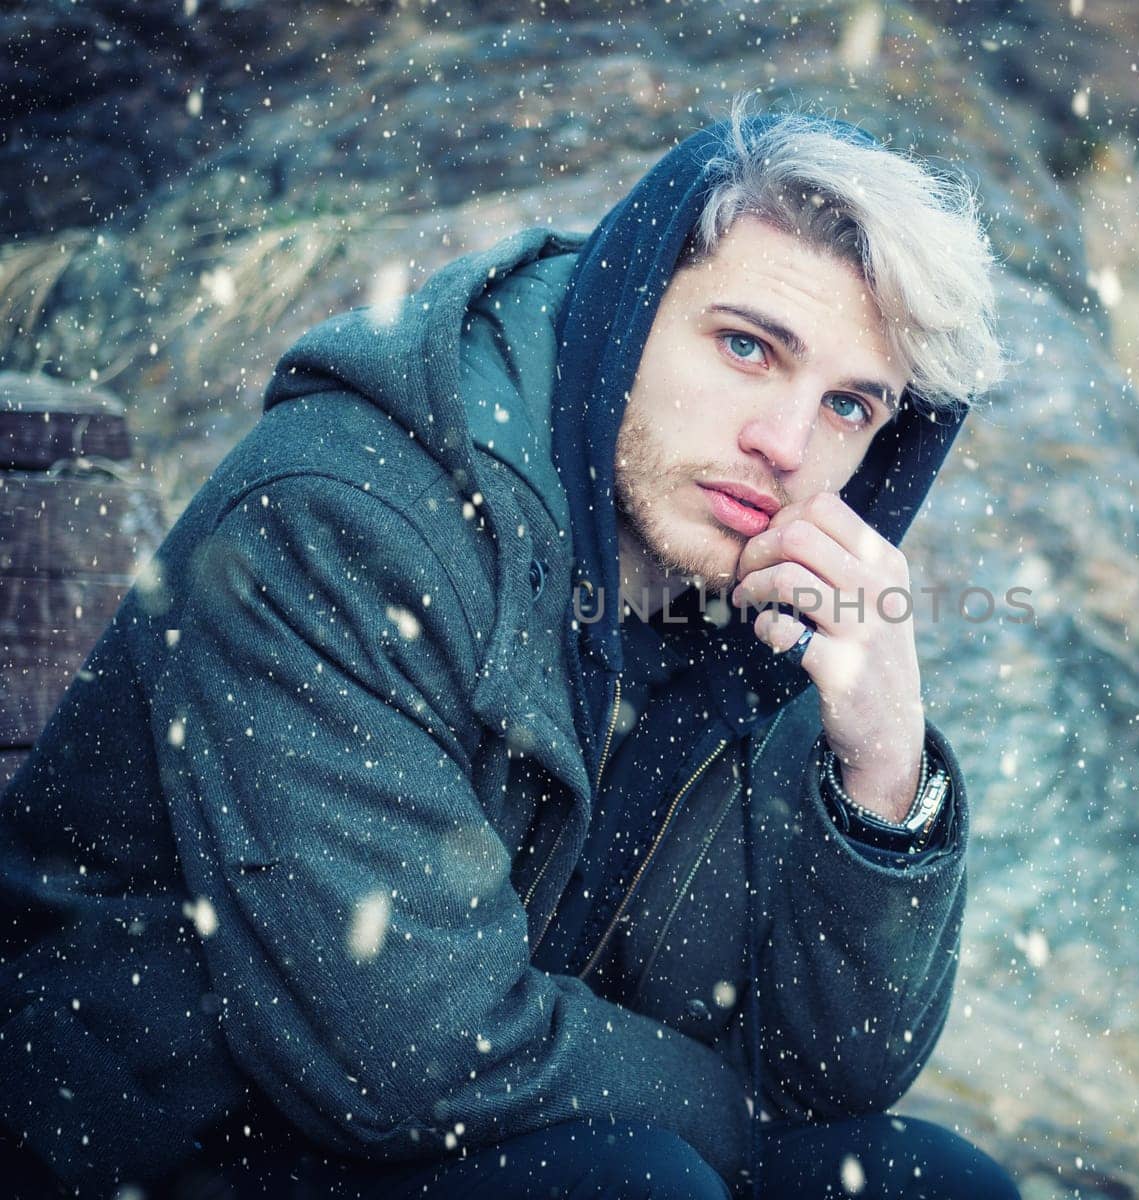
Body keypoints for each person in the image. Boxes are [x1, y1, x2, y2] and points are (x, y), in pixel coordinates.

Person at [0, 98, 1016, 1199]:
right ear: (630, 308)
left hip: (508, 1127)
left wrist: (881, 776)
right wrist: (738, 1120)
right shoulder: (342, 518)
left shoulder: (755, 600)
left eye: (848, 407)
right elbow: (408, 1053)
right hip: (166, 1141)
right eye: (745, 346)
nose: (783, 444)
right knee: (639, 1185)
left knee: (922, 1180)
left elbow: (833, 1077)